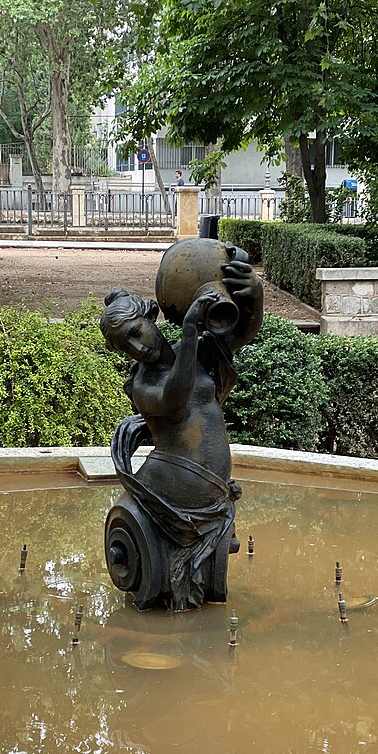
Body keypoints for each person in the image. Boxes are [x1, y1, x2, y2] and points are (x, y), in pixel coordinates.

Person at [100, 251, 263, 610]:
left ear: (150, 318)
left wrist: (255, 294)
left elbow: (242, 333)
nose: (138, 348)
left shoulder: (200, 354)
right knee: (162, 583)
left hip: (209, 497)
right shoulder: (143, 386)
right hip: (168, 498)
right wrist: (189, 330)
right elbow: (176, 397)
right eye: (125, 346)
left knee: (196, 590)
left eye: (136, 333)